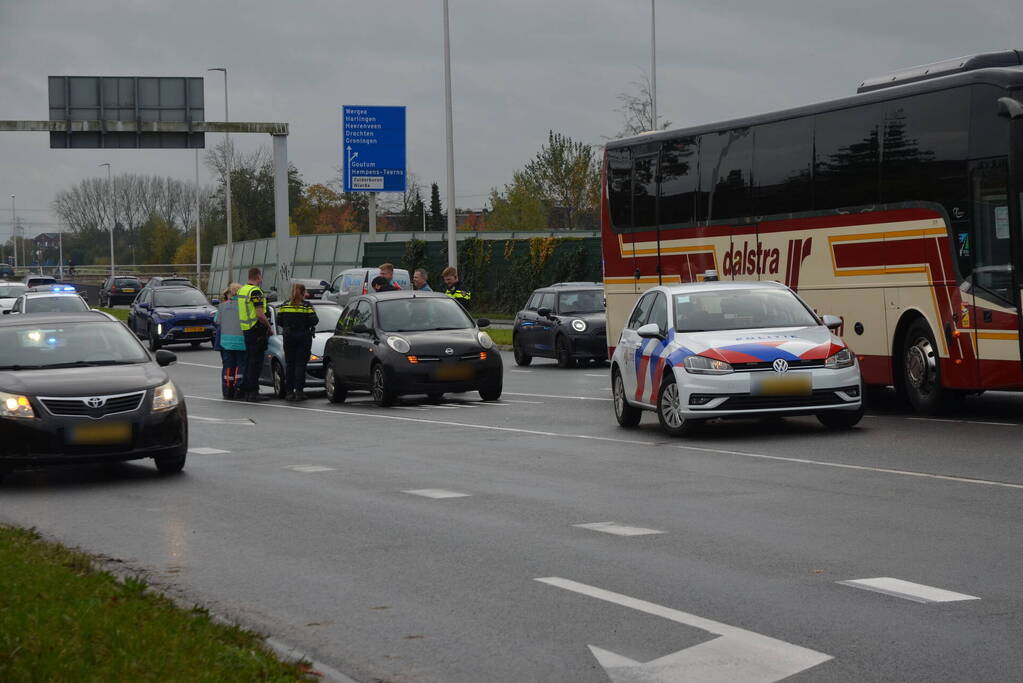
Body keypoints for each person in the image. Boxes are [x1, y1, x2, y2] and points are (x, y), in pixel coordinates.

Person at [236, 267, 274, 402]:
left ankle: (247, 389)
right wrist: (269, 327)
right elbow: (259, 314)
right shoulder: (255, 291)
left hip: (246, 329)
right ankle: (253, 391)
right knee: (256, 362)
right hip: (256, 330)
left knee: (249, 360)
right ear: (258, 276)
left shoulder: (242, 290)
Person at [277, 283, 319, 402]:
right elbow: (314, 320)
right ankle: (299, 392)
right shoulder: (306, 306)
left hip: (288, 337)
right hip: (303, 337)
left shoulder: (285, 305)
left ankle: (289, 392)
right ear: (302, 293)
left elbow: (279, 320)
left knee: (290, 364)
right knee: (300, 364)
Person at [213, 283, 246, 399]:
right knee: (240, 366)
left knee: (228, 366)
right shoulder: (243, 305)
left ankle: (228, 390)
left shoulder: (222, 306)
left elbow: (217, 321)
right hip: (241, 341)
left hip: (226, 342)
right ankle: (239, 389)